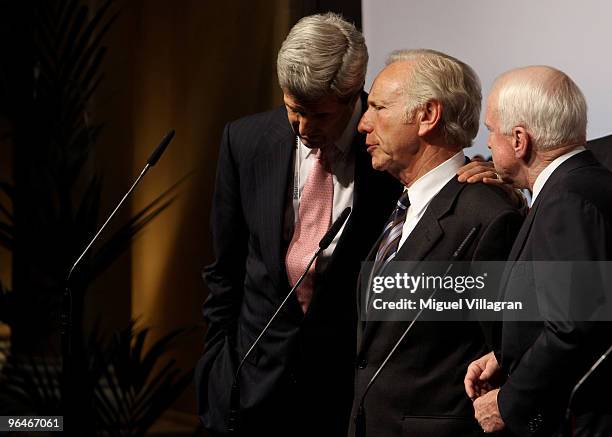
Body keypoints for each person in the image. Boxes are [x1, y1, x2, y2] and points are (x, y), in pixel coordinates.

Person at [194, 13, 401, 436]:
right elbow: (225, 269)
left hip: (343, 394)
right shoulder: (245, 141)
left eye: (319, 116)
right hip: (249, 388)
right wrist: (218, 367)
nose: (304, 129)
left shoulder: (393, 153)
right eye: (294, 111)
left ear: (352, 96)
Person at [349, 49, 523, 437]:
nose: (363, 123)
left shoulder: (489, 217)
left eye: (377, 107)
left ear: (427, 116)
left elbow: (511, 353)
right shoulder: (398, 206)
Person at [465, 65, 612, 436]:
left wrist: (509, 401)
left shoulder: (567, 200)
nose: (487, 145)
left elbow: (573, 327)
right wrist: (506, 355)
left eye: (490, 131)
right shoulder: (585, 184)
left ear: (519, 140)